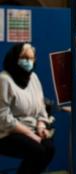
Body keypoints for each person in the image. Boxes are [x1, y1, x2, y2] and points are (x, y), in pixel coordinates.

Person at [0, 43, 55, 174]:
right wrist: (31, 134)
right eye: (24, 57)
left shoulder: (33, 77)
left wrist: (41, 126)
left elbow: (41, 106)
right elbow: (3, 117)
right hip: (7, 132)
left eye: (31, 58)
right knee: (37, 151)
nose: (28, 62)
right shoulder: (4, 80)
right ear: (15, 58)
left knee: (49, 149)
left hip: (31, 128)